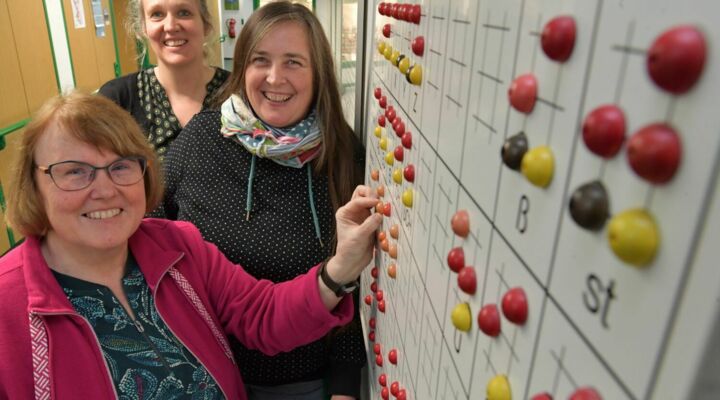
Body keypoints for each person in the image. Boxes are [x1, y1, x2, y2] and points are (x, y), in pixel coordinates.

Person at [0, 92, 381, 399]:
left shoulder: (176, 246)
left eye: (121, 166)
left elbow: (262, 314)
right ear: (33, 186)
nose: (104, 190)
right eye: (74, 172)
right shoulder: (8, 304)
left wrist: (340, 269)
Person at [159, 2, 367, 398]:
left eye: (293, 62)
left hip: (302, 385)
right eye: (260, 60)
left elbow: (352, 284)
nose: (275, 78)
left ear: (318, 72)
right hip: (205, 378)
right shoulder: (202, 139)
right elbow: (149, 238)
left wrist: (344, 387)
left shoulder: (342, 155)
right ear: (242, 68)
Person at [99, 0, 229, 157]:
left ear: (205, 24)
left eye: (184, 12)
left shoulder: (238, 91)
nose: (171, 26)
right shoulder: (117, 100)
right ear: (143, 28)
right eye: (157, 14)